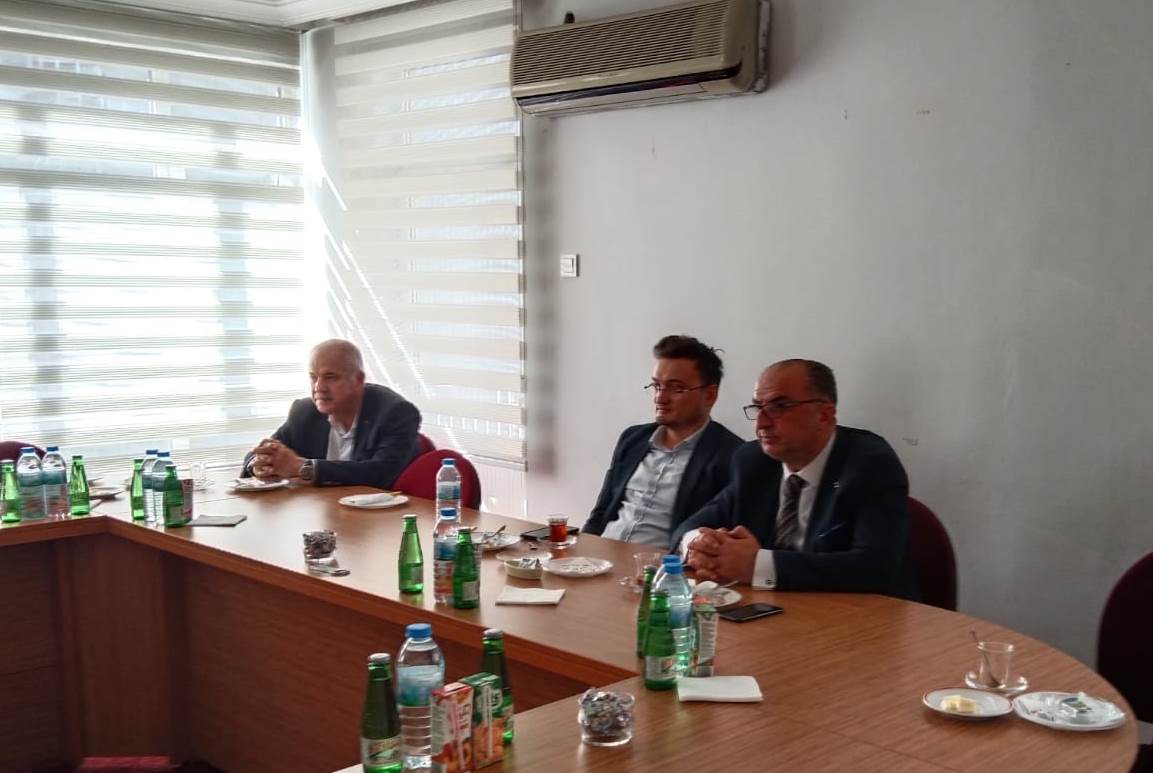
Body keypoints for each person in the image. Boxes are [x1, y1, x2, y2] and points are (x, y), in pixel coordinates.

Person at [672, 359, 917, 598]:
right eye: (758, 407)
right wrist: (697, 545)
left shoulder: (869, 465)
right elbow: (689, 526)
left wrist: (758, 565)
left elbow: (875, 568)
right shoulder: (752, 461)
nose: (761, 423)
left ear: (824, 414)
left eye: (778, 406)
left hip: (860, 614)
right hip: (775, 606)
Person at [583, 335, 744, 547]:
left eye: (676, 388)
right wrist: (581, 551)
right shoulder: (633, 438)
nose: (660, 398)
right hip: (603, 555)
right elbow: (601, 512)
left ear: (709, 395)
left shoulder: (733, 456)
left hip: (660, 564)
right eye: (657, 386)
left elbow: (716, 538)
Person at [243, 339, 421, 488]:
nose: (318, 387)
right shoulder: (304, 412)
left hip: (381, 515)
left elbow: (381, 473)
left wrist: (303, 467)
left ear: (358, 380)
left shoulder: (395, 413)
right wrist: (260, 464)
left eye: (330, 377)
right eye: (313, 377)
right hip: (322, 510)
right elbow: (265, 452)